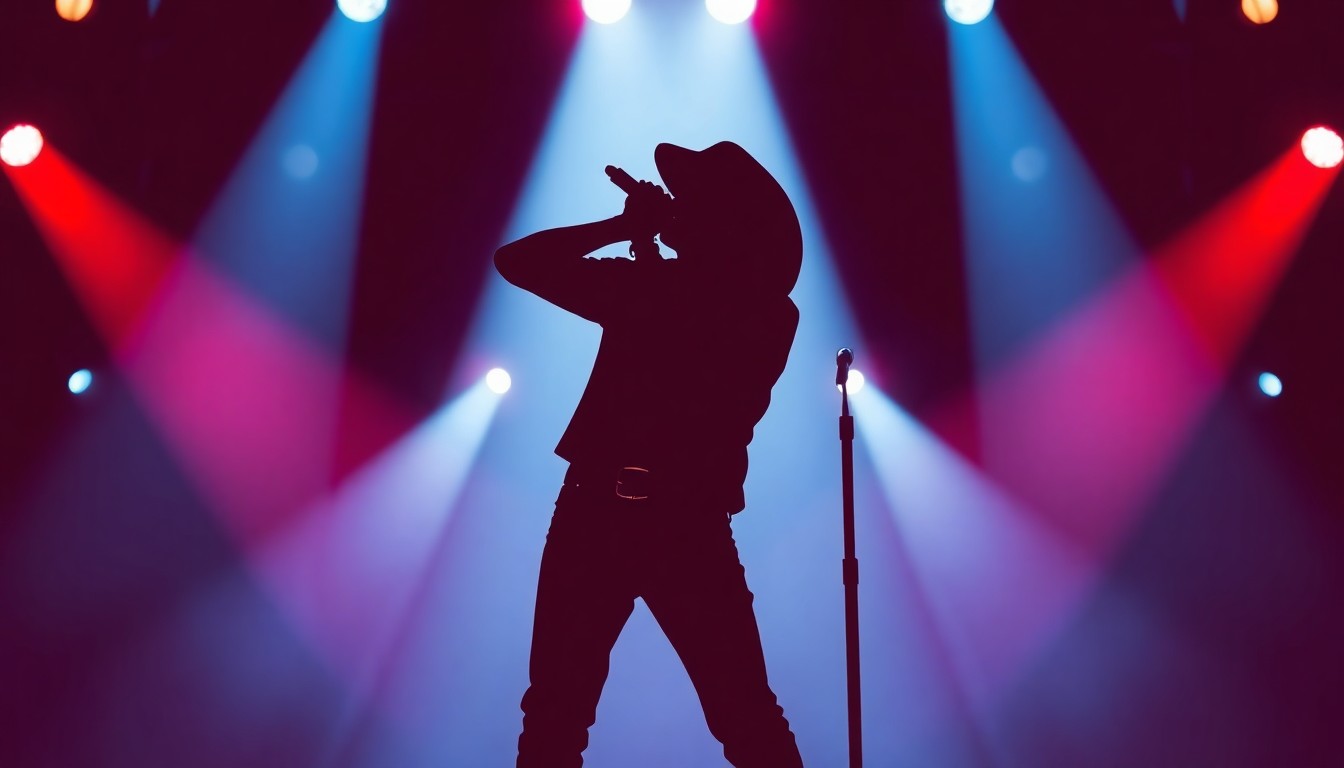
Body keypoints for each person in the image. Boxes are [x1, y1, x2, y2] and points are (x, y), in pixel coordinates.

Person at [495, 141, 805, 768]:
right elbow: (519, 262)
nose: (676, 209)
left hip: (643, 521)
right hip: (656, 522)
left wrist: (629, 230)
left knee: (560, 718)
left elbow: (523, 261)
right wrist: (642, 239)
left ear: (723, 223)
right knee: (741, 716)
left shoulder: (730, 305)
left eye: (691, 204)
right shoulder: (726, 302)